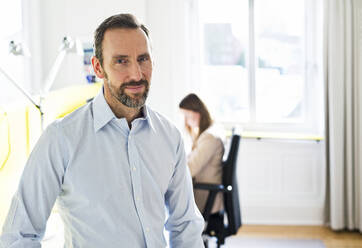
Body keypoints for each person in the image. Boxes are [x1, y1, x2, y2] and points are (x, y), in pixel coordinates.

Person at [0, 14, 204, 248]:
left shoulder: (169, 136)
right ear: (98, 67)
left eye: (143, 59)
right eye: (121, 61)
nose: (137, 74)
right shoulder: (61, 138)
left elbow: (186, 226)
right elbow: (18, 236)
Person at [179, 93, 224, 215]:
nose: (186, 121)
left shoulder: (209, 138)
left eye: (187, 116)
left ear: (197, 113)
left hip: (206, 196)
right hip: (204, 192)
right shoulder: (210, 132)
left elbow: (191, 169)